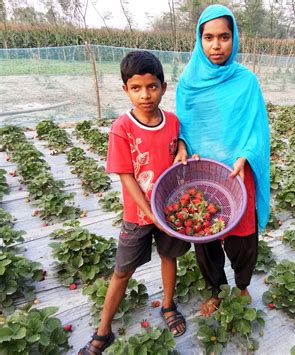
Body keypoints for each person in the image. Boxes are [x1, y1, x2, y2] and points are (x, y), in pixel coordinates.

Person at [79, 51, 191, 355]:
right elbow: (126, 177)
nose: (145, 95)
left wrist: (181, 146)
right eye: (137, 88)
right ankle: (103, 330)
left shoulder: (172, 121)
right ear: (125, 89)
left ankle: (168, 305)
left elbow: (177, 141)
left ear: (164, 87)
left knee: (170, 257)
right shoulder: (122, 128)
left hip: (169, 210)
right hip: (138, 214)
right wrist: (148, 212)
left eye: (152, 87)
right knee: (122, 271)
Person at [174, 4, 270, 316]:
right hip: (202, 173)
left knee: (242, 238)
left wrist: (244, 156)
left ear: (234, 38)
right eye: (209, 37)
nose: (216, 45)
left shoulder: (246, 81)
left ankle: (242, 285)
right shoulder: (188, 83)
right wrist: (185, 146)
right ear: (199, 40)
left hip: (237, 171)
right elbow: (184, 126)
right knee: (206, 237)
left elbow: (257, 129)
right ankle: (216, 289)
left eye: (224, 37)